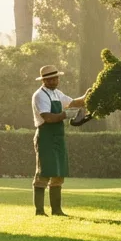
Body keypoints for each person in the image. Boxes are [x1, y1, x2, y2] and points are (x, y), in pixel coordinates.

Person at [32, 64, 86, 217]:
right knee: (43, 173)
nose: (53, 81)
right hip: (45, 136)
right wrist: (66, 115)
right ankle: (40, 211)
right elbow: (48, 118)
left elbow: (72, 102)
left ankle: (57, 210)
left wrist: (87, 96)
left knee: (58, 173)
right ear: (44, 80)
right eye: (50, 79)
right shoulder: (39, 95)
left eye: (55, 78)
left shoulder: (57, 93)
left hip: (58, 136)